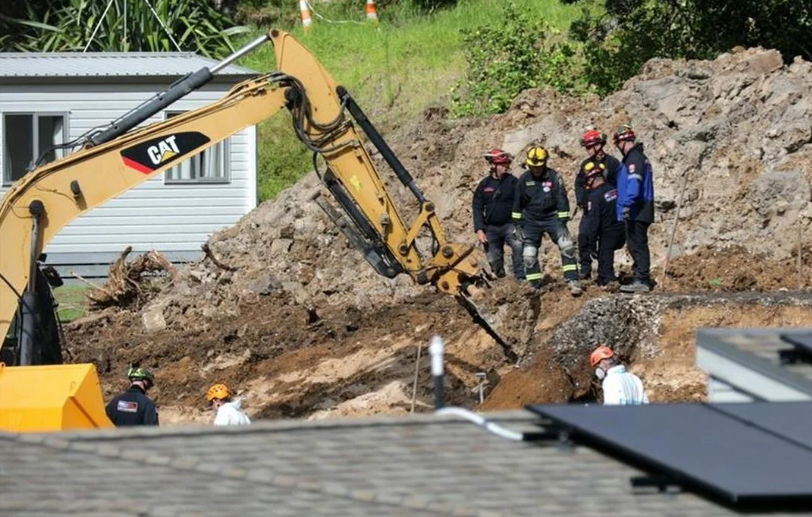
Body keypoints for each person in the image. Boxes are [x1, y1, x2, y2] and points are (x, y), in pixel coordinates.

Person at [512, 146, 582, 296]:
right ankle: (534, 285)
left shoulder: (554, 176)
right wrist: (517, 224)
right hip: (531, 219)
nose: (536, 169)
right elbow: (517, 203)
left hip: (552, 217)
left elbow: (561, 198)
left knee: (567, 246)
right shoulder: (524, 179)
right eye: (533, 166)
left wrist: (563, 219)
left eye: (538, 166)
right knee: (529, 254)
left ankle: (573, 280)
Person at [574, 130, 621, 280]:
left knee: (607, 242)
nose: (588, 151)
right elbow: (579, 184)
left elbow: (619, 185)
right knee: (584, 235)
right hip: (591, 206)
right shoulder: (586, 164)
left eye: (590, 147)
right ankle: (585, 267)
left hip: (608, 208)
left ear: (599, 145)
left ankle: (606, 273)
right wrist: (582, 200)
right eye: (586, 148)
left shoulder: (613, 163)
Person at [614, 124, 655, 293]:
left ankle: (642, 279)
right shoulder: (636, 157)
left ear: (622, 142)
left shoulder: (634, 158)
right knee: (634, 244)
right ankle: (640, 276)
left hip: (637, 208)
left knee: (637, 243)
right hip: (638, 207)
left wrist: (627, 205)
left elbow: (634, 184)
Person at [472, 149, 525, 279]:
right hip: (491, 228)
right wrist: (479, 229)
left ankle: (521, 277)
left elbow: (523, 203)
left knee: (519, 247)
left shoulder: (514, 182)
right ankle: (500, 279)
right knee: (493, 257)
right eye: (502, 165)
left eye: (506, 164)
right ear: (493, 166)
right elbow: (477, 207)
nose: (505, 167)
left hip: (510, 225)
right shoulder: (484, 185)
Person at [582, 161, 626, 289]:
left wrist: (591, 243)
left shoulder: (594, 196)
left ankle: (608, 281)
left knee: (604, 256)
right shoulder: (614, 189)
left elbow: (593, 222)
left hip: (607, 232)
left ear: (592, 179)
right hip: (621, 229)